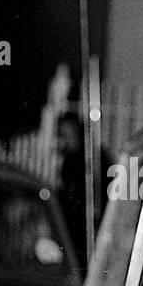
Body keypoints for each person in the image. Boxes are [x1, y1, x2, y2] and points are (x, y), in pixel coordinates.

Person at [54, 110, 107, 267]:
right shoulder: (68, 160)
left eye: (69, 134)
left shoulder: (95, 158)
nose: (66, 140)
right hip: (73, 221)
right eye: (63, 134)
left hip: (88, 221)